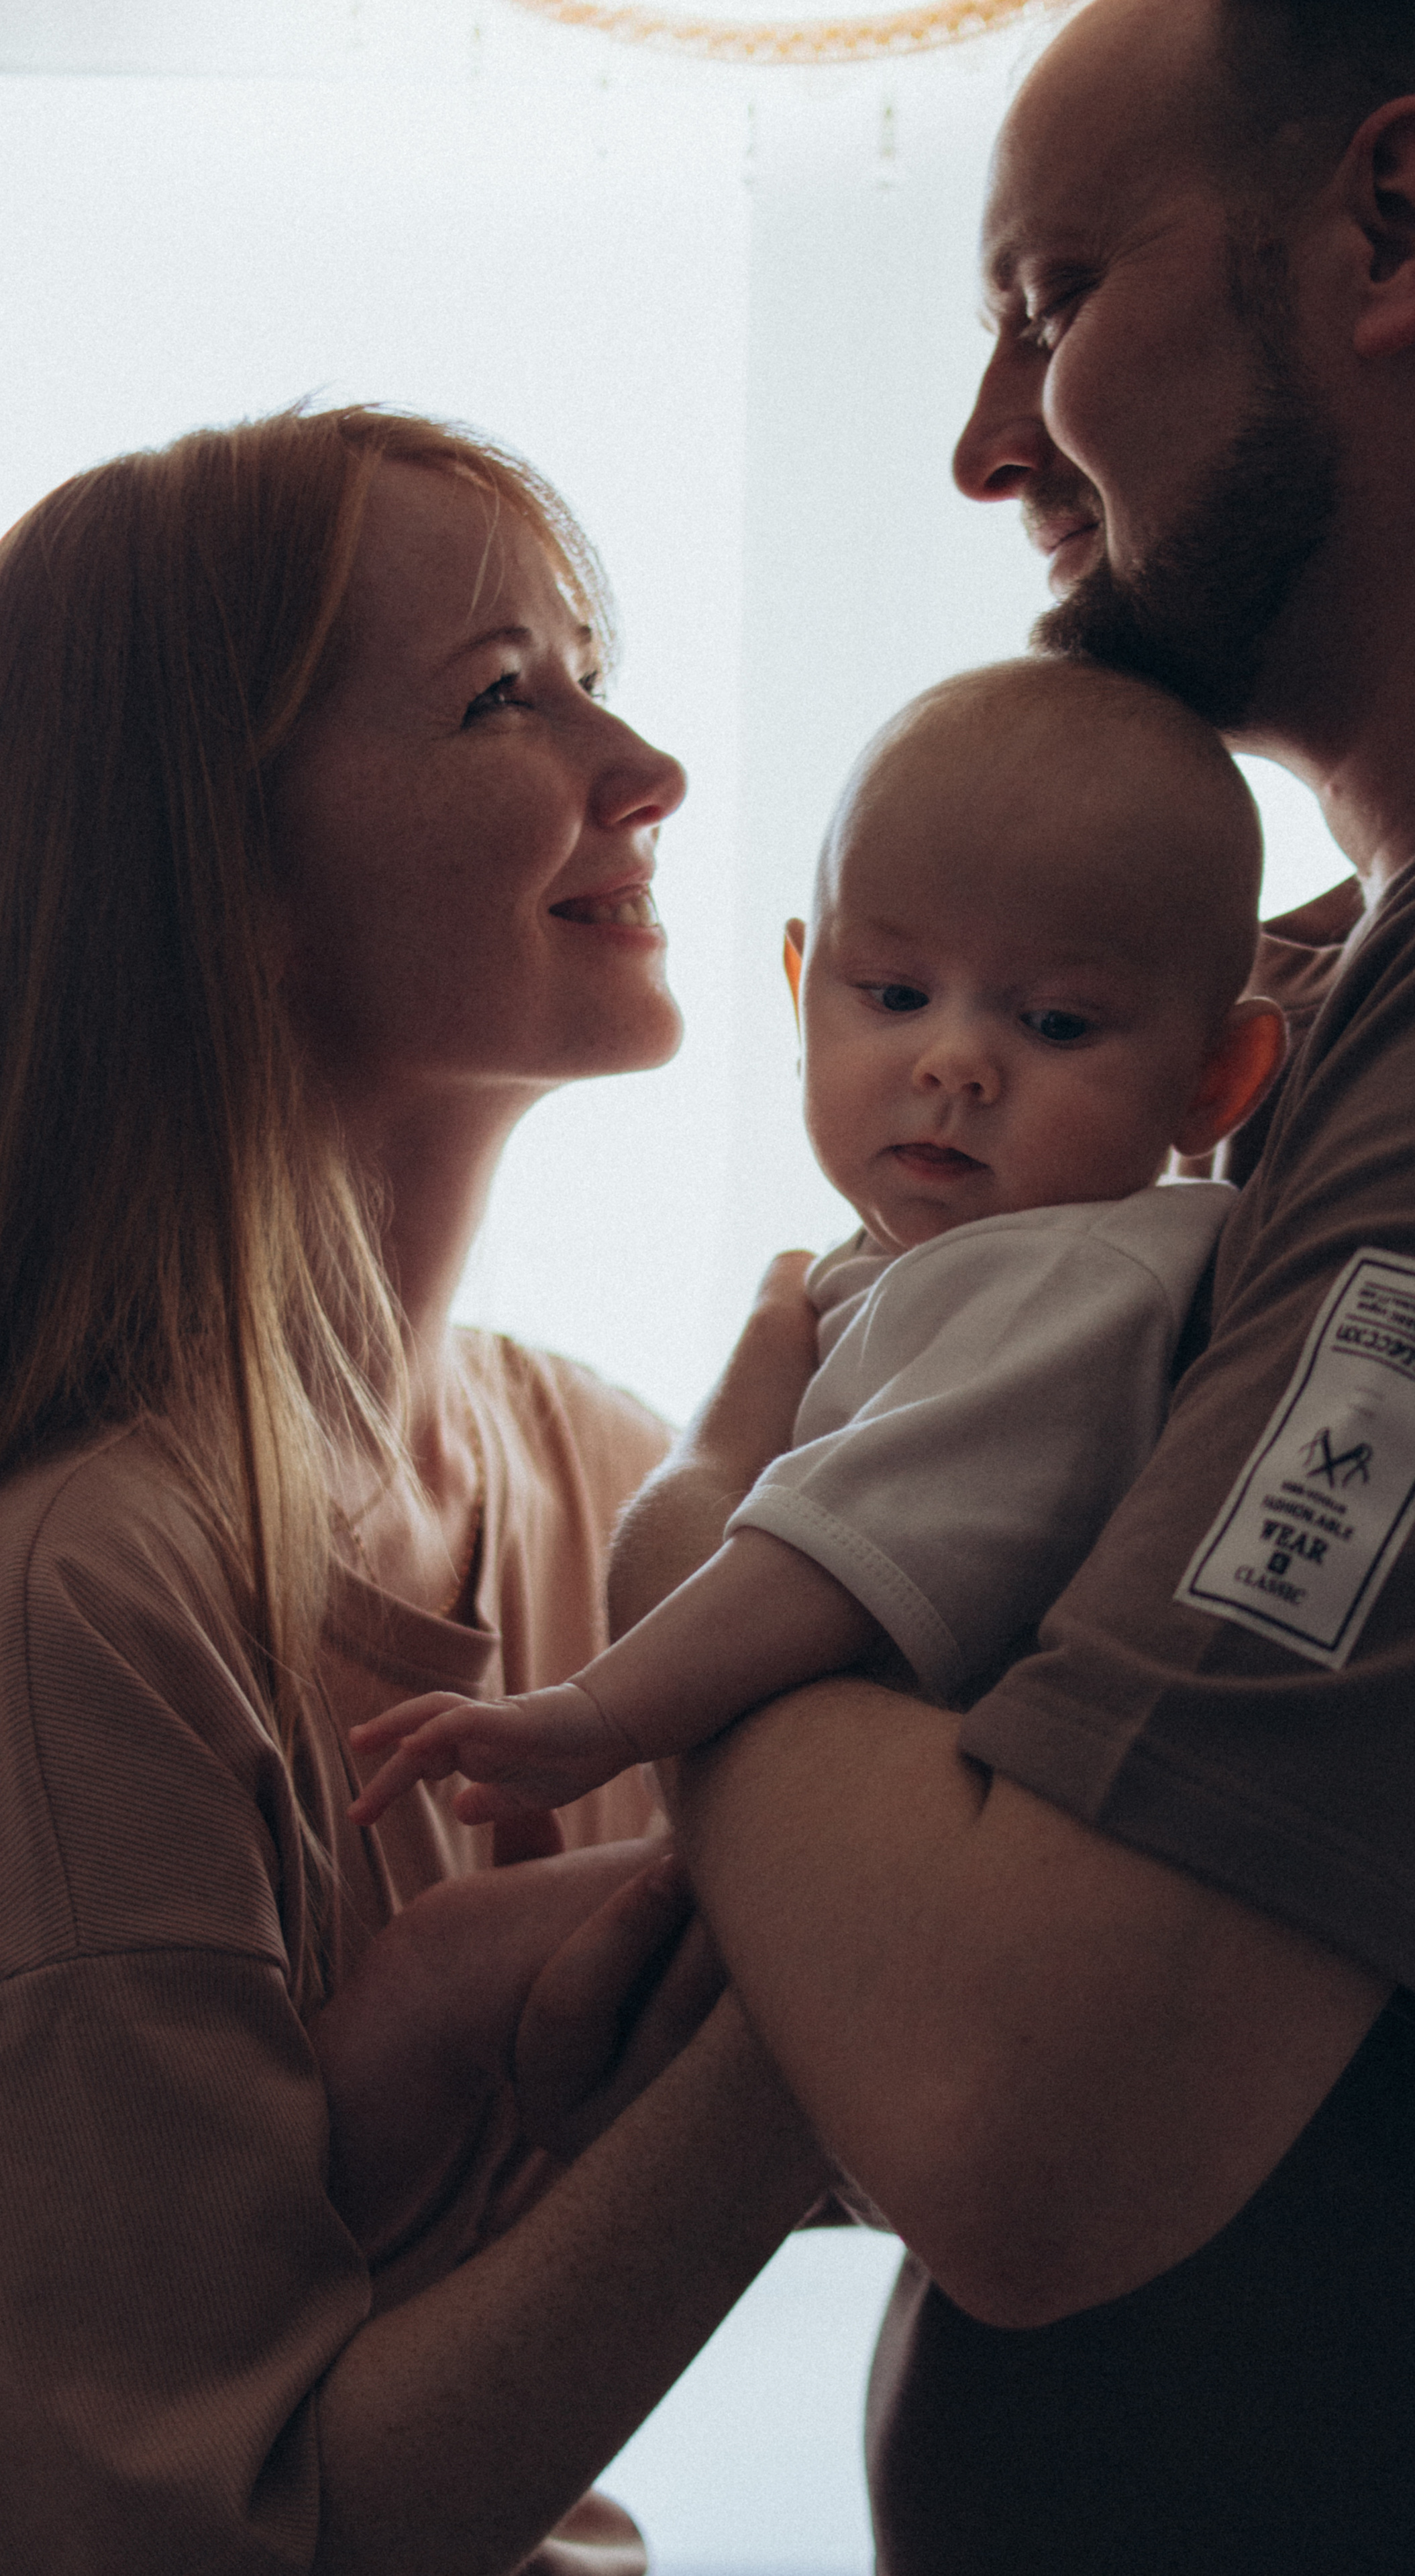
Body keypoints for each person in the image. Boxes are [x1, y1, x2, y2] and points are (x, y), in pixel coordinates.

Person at [597, 3, 1415, 2570]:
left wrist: (694, 1553)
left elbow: (1025, 2103)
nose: (991, 443)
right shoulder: (1365, 988)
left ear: (1398, 238)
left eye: (1055, 297)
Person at [0, 405, 826, 2576]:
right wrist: (806, 1993)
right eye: (504, 696)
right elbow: (208, 2537)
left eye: (590, 665)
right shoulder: (91, 1605)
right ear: (231, 876)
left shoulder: (624, 1479)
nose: (641, 764)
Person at [342, 657, 1284, 1828]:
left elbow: (829, 1569)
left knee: (436, 1973)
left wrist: (599, 1713)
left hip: (913, 1850)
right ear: (802, 991)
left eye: (1053, 1022)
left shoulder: (1078, 1285)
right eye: (894, 995)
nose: (953, 1063)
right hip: (838, 1828)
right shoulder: (937, 1262)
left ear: (1216, 1080)